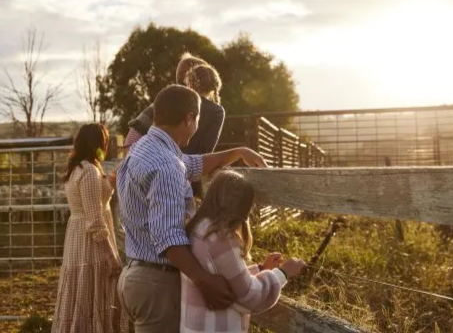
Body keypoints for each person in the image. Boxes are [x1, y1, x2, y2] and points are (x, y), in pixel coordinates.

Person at [116, 84, 267, 333]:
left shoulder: (145, 149)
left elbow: (193, 164)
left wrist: (236, 152)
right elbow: (168, 239)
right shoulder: (166, 166)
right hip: (159, 285)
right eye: (196, 120)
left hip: (136, 275)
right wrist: (205, 280)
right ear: (189, 118)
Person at [181, 170, 305, 333]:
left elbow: (226, 276)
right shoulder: (221, 239)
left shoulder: (199, 228)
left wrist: (260, 269)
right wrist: (283, 273)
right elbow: (248, 296)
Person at [52, 123, 126, 333]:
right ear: (96, 143)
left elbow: (96, 198)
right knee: (93, 289)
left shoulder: (78, 168)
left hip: (78, 236)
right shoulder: (89, 171)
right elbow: (94, 219)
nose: (106, 143)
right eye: (103, 139)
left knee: (81, 292)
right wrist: (111, 256)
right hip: (90, 241)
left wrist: (112, 178)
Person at [123, 52, 224, 155]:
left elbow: (136, 131)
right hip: (183, 162)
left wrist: (132, 154)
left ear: (189, 79)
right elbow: (206, 151)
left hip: (156, 157)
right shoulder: (216, 111)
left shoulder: (168, 100)